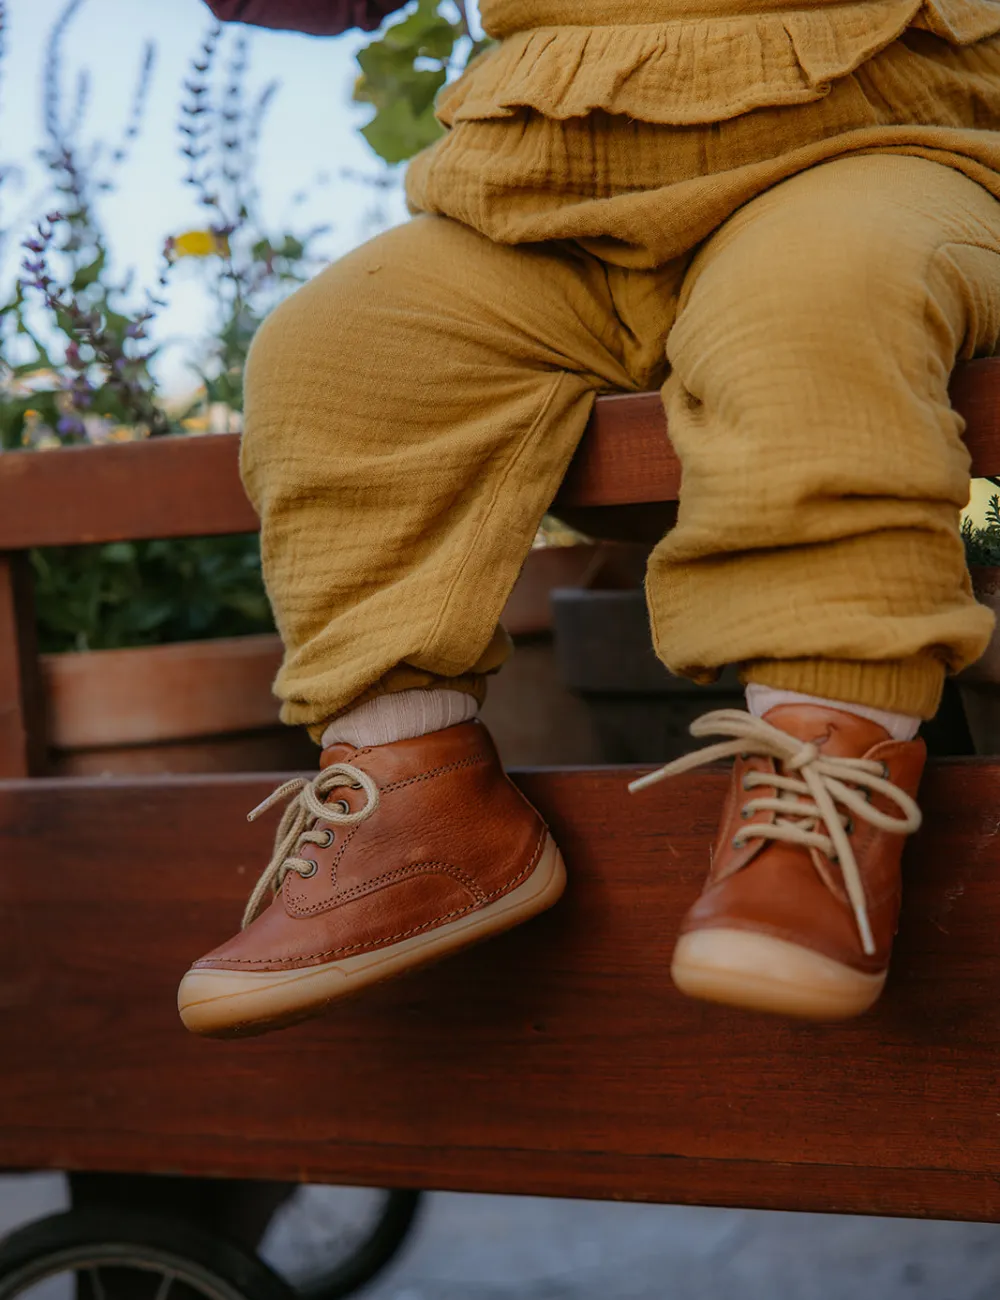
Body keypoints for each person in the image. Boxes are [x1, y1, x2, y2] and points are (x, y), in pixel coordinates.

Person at [178, 0, 1000, 1037]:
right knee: (336, 355)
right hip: (554, 196)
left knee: (809, 307)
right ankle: (413, 791)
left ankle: (825, 767)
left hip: (869, 145)